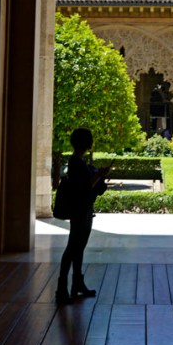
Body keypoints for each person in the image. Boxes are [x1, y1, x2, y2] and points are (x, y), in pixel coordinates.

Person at [56, 127, 109, 305]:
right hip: (80, 210)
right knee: (73, 248)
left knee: (77, 248)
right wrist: (99, 175)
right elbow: (85, 186)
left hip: (84, 209)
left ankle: (76, 284)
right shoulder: (76, 163)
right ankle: (62, 289)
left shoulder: (78, 161)